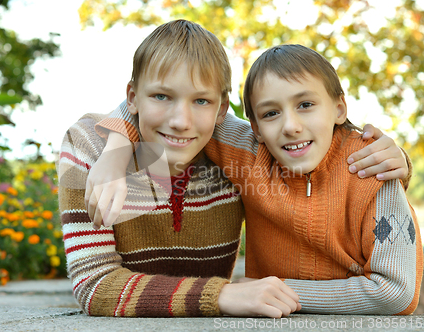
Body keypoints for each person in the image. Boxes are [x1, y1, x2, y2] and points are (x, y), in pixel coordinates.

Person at [90, 43, 421, 315]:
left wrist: (273, 292)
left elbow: (395, 293)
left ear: (339, 108)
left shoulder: (373, 170)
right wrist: (114, 152)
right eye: (271, 113)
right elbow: (154, 101)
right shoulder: (248, 150)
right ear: (256, 127)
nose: (290, 125)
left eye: (305, 104)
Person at [58, 20, 302, 318]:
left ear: (222, 109)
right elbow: (95, 286)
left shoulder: (236, 149)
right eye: (162, 96)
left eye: (201, 100)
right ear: (132, 97)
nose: (180, 121)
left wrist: (369, 144)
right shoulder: (89, 147)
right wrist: (220, 295)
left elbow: (308, 141)